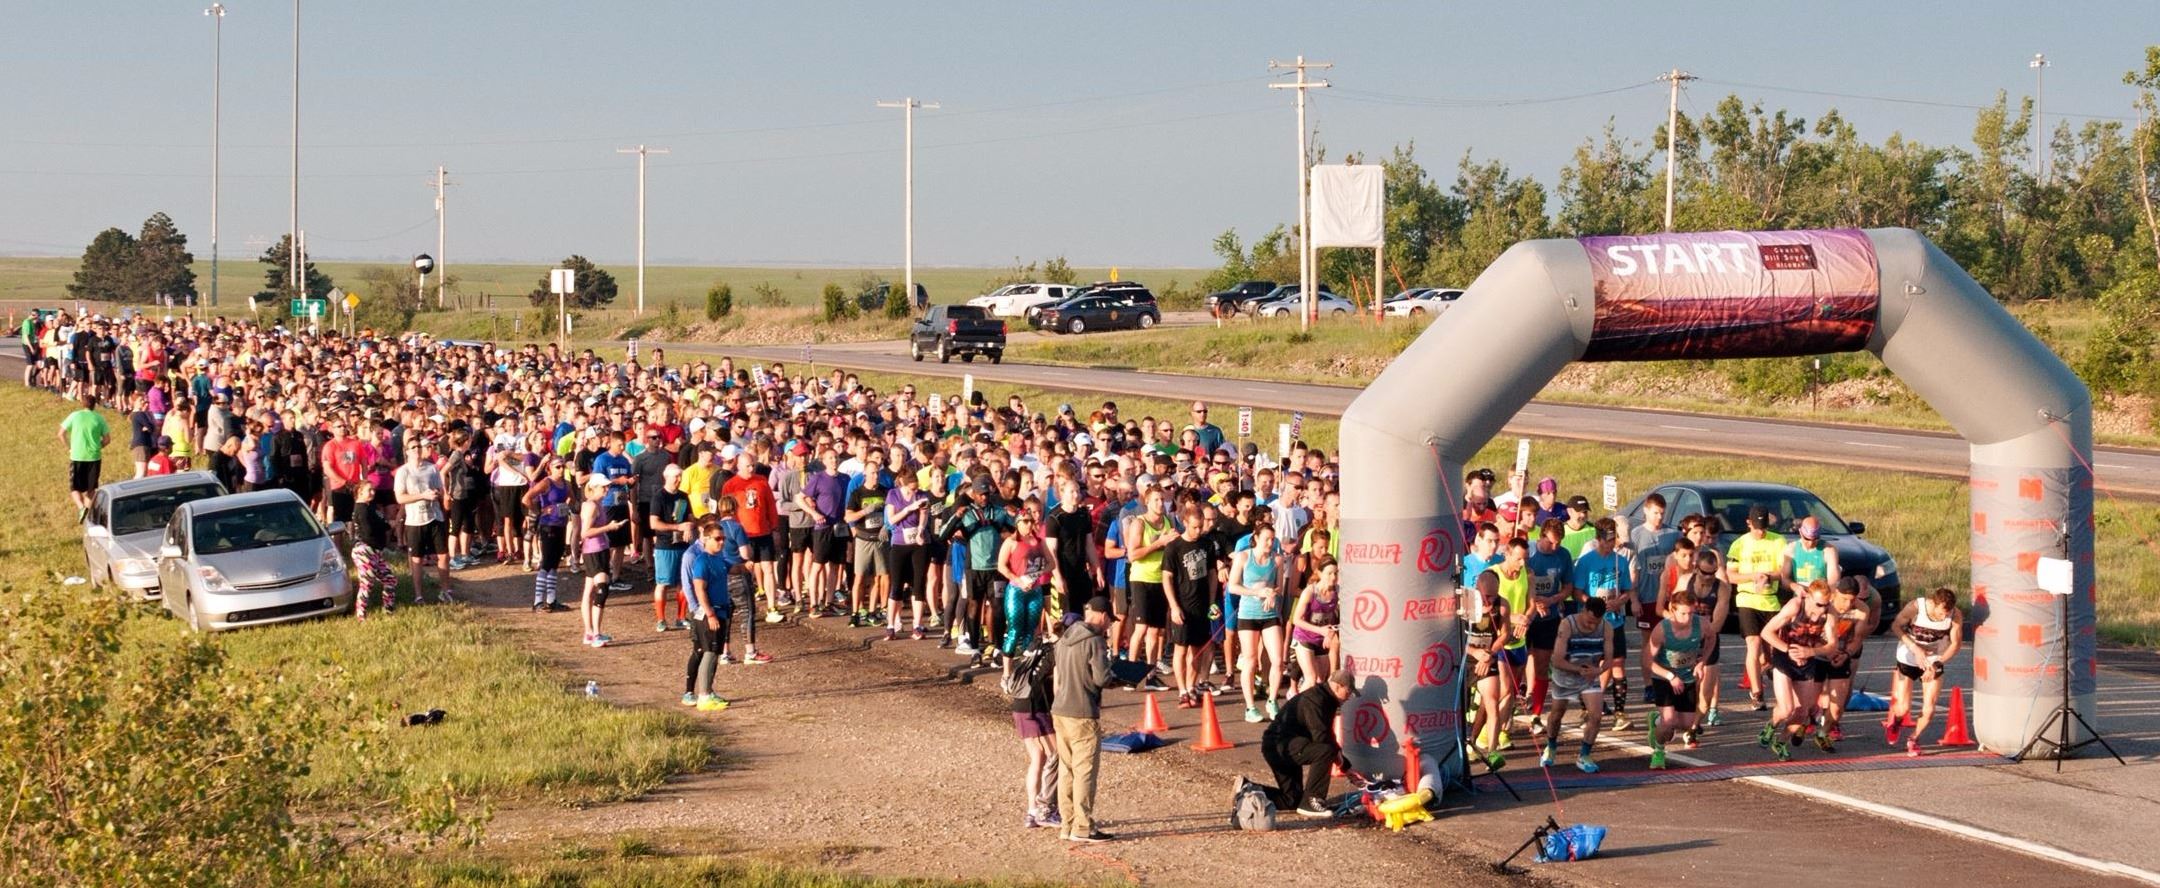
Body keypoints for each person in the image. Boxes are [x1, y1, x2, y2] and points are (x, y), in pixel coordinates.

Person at [1053, 596, 1115, 844]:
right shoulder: (1095, 641)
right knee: (1084, 772)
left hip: (1060, 710)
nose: (1109, 626)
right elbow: (1101, 678)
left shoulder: (1065, 636)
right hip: (1082, 713)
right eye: (1110, 620)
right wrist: (1116, 674)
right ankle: (1083, 826)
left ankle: (1067, 824)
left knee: (1066, 771)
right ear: (1102, 615)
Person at [1257, 668, 1355, 817]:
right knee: (1326, 750)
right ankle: (1312, 801)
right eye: (1348, 692)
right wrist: (1342, 763)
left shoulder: (1326, 699)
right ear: (1337, 686)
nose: (1349, 697)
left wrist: (1346, 766)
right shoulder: (1315, 699)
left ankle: (1248, 789)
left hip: (1284, 746)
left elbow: (1327, 735)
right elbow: (1321, 737)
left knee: (1292, 800)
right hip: (1280, 746)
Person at [1760, 579, 1837, 760]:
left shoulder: (1829, 613)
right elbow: (1766, 632)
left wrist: (1810, 651)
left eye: (1826, 605)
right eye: (1818, 604)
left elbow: (1832, 645)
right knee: (1787, 709)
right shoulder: (1795, 606)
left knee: (1803, 712)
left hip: (1807, 660)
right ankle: (1772, 724)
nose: (1821, 610)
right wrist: (1789, 650)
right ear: (1808, 597)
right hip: (1784, 657)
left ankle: (1781, 742)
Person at [1886, 587, 1964, 757]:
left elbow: (1955, 644)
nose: (1945, 616)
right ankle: (1896, 722)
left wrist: (1938, 663)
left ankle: (1913, 739)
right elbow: (1896, 626)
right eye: (1942, 612)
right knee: (1903, 707)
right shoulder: (1916, 606)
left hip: (1933, 659)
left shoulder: (1955, 615)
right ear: (1934, 604)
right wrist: (1915, 648)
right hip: (1909, 655)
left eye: (1948, 612)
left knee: (1929, 709)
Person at [1571, 519, 1633, 731]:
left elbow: (1627, 590)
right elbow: (1577, 591)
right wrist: (1592, 604)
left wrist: (1619, 601)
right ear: (1597, 540)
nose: (1610, 544)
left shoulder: (1620, 561)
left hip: (1614, 621)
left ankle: (1620, 713)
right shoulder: (1586, 561)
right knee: (1589, 665)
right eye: (1606, 541)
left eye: (1613, 540)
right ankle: (1586, 710)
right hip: (1591, 621)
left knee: (1618, 663)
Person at [682, 511, 746, 712]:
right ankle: (703, 695)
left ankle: (708, 691)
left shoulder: (719, 559)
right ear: (706, 538)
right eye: (717, 539)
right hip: (709, 614)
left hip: (721, 611)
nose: (721, 543)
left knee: (714, 653)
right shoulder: (701, 560)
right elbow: (698, 588)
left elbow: (732, 569)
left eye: (723, 539)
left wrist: (748, 566)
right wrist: (709, 613)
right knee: (708, 653)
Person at [1540, 596, 1612, 773]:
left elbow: (1610, 660)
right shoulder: (1567, 624)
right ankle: (1551, 745)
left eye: (1596, 622)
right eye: (1589, 621)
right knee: (1557, 714)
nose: (1592, 626)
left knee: (1596, 715)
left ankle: (1584, 754)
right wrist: (1577, 669)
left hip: (1589, 674)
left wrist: (1599, 671)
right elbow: (1556, 660)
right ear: (1583, 610)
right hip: (1566, 672)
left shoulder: (1606, 628)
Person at [1665, 549, 1734, 732]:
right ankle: (1679, 723)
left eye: (1713, 573)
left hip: (1708, 642)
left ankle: (1693, 727)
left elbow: (1717, 624)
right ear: (1696, 569)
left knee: (1705, 698)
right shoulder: (1685, 581)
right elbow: (1673, 608)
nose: (1709, 577)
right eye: (1705, 573)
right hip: (1684, 641)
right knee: (1682, 689)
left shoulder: (1723, 588)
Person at [1728, 505, 1788, 712]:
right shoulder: (1738, 545)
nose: (1760, 532)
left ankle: (1775, 679)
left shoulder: (1778, 541)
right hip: (1747, 599)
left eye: (1763, 528)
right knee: (1753, 643)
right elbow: (1731, 576)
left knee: (1774, 648)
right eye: (1756, 528)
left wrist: (1769, 576)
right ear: (1748, 523)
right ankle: (1757, 693)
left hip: (1770, 599)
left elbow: (1784, 570)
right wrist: (1753, 576)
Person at [1643, 590, 1711, 769]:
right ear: (1672, 610)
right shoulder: (1662, 630)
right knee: (1669, 721)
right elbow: (1647, 661)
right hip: (1664, 677)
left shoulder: (1702, 624)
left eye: (1691, 613)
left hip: (1687, 677)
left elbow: (1712, 639)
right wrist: (1670, 676)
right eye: (1683, 613)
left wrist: (1702, 662)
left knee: (1687, 724)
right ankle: (1658, 752)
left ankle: (1656, 720)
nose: (1687, 618)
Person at [1229, 519, 1288, 723]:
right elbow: (1233, 586)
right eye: (1266, 539)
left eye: (1272, 540)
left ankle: (1272, 699)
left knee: (1278, 660)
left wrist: (1272, 593)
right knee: (1251, 660)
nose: (1270, 543)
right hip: (1248, 614)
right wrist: (1256, 592)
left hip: (1269, 615)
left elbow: (1279, 586)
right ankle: (1250, 706)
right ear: (1255, 539)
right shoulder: (1244, 557)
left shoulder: (1277, 560)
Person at [1464, 543, 1517, 767]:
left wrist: (1489, 654)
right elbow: (1456, 638)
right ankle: (1466, 743)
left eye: (1493, 598)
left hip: (1488, 654)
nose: (1490, 603)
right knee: (1462, 707)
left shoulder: (1502, 605)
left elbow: (1505, 634)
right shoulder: (1466, 603)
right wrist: (1476, 652)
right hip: (1467, 656)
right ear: (1477, 591)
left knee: (1492, 702)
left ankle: (1492, 751)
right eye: (1486, 598)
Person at [1162, 504, 1217, 708]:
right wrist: (1174, 606)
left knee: (1197, 650)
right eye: (1194, 527)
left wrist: (1212, 602)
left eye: (1201, 526)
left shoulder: (1207, 545)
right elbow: (1166, 578)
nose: (1198, 530)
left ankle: (1192, 686)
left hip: (1202, 605)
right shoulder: (1174, 548)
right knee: (1181, 649)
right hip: (1182, 605)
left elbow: (1211, 574)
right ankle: (1182, 690)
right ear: (1185, 523)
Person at [1010, 629, 1061, 832]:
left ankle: (1032, 812)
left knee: (1037, 760)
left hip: (1019, 706)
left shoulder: (1034, 647)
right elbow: (1057, 688)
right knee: (1057, 756)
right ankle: (1047, 810)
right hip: (1037, 708)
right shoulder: (1057, 652)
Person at [393, 440, 452, 605]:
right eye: (413, 447)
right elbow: (400, 497)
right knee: (416, 559)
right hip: (415, 520)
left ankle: (445, 590)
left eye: (419, 446)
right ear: (407, 451)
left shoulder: (431, 468)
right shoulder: (403, 472)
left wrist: (437, 494)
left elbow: (440, 489)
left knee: (443, 555)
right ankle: (419, 595)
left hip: (435, 516)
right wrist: (422, 496)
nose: (417, 449)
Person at [996, 509, 1056, 660]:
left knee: (1031, 630)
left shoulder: (1039, 542)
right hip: (1016, 590)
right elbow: (1001, 566)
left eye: (1031, 521)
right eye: (1025, 521)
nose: (1029, 524)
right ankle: (1007, 672)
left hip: (1034, 590)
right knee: (1014, 631)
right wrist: (1018, 579)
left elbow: (1051, 563)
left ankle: (1025, 669)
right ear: (1017, 523)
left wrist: (1036, 575)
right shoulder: (1011, 542)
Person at [1819, 576, 1872, 744]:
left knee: (1846, 686)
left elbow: (1858, 639)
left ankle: (1833, 723)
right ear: (1835, 593)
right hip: (1821, 647)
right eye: (1844, 599)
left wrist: (1846, 654)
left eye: (1852, 600)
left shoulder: (1862, 610)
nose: (1848, 605)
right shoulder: (1825, 602)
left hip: (1847, 649)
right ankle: (1813, 717)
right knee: (1820, 689)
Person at [577, 473, 624, 647]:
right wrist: (609, 527)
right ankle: (595, 633)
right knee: (602, 589)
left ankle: (589, 632)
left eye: (607, 486)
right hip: (593, 551)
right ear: (594, 487)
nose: (606, 490)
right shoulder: (590, 506)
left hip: (601, 549)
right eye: (603, 487)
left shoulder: (598, 504)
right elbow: (585, 533)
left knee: (589, 591)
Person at [523, 457, 574, 613]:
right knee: (546, 562)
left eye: (562, 467)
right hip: (548, 526)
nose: (561, 470)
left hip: (561, 525)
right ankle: (538, 601)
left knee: (554, 563)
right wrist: (540, 511)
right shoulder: (546, 482)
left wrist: (565, 506)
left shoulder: (566, 484)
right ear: (550, 468)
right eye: (557, 467)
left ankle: (551, 600)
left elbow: (572, 497)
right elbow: (526, 498)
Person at [649, 464, 695, 633]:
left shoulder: (684, 496)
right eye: (674, 476)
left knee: (683, 582)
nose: (677, 479)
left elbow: (690, 518)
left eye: (679, 476)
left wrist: (690, 526)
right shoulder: (659, 497)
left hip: (683, 545)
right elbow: (654, 523)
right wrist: (678, 527)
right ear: (666, 477)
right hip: (665, 546)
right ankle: (661, 619)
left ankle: (681, 617)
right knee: (663, 583)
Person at [1287, 557, 1340, 692]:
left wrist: (1329, 633)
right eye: (1329, 573)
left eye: (1336, 573)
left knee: (1320, 682)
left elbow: (1333, 618)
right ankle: (1295, 711)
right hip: (1304, 637)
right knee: (1311, 679)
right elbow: (1296, 620)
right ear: (1320, 573)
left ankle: (1308, 709)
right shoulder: (1310, 592)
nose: (1333, 577)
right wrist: (1320, 630)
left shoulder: (1337, 592)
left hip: (1321, 640)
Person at [59, 392, 108, 518]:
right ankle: (87, 511)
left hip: (77, 456)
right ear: (94, 405)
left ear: (83, 404)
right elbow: (107, 439)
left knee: (74, 487)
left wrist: (69, 448)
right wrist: (99, 446)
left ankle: (81, 508)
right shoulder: (99, 418)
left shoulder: (75, 416)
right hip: (94, 457)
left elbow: (60, 434)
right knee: (91, 488)